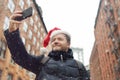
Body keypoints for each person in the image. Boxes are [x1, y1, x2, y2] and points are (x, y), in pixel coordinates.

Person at [4, 10, 90, 80]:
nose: (55, 41)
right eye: (53, 40)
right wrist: (12, 33)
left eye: (60, 39)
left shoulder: (79, 67)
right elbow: (21, 57)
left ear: (68, 44)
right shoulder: (42, 62)